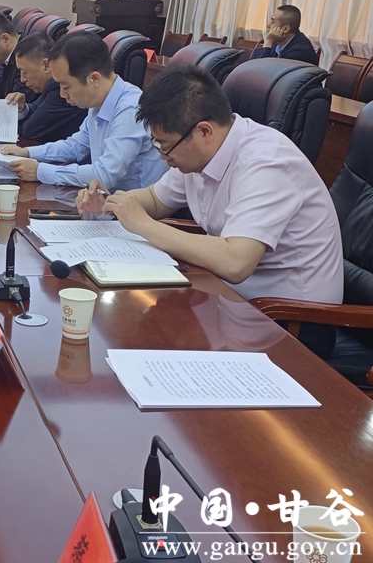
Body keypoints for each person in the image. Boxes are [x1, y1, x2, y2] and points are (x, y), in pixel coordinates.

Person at [76, 65, 342, 354]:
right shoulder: (200, 153)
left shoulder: (265, 163)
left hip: (289, 320)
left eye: (165, 147)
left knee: (148, 347)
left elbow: (235, 262)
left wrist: (143, 224)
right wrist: (111, 202)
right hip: (229, 300)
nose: (163, 157)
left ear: (204, 131)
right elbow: (155, 198)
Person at [1, 31, 168, 189]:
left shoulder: (129, 109)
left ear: (94, 79)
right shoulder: (98, 103)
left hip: (137, 206)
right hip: (106, 201)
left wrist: (40, 171)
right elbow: (74, 147)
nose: (62, 94)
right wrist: (26, 153)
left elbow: (105, 175)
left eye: (66, 86)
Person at [4, 33, 87, 144]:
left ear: (46, 65)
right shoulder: (51, 85)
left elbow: (30, 130)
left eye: (25, 71)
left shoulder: (59, 87)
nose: (22, 79)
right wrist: (23, 108)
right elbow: (36, 107)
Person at [251, 5, 319, 65]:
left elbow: (263, 70)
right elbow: (254, 64)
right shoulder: (278, 41)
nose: (268, 25)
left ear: (285, 29)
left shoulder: (299, 52)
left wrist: (268, 41)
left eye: (273, 21)